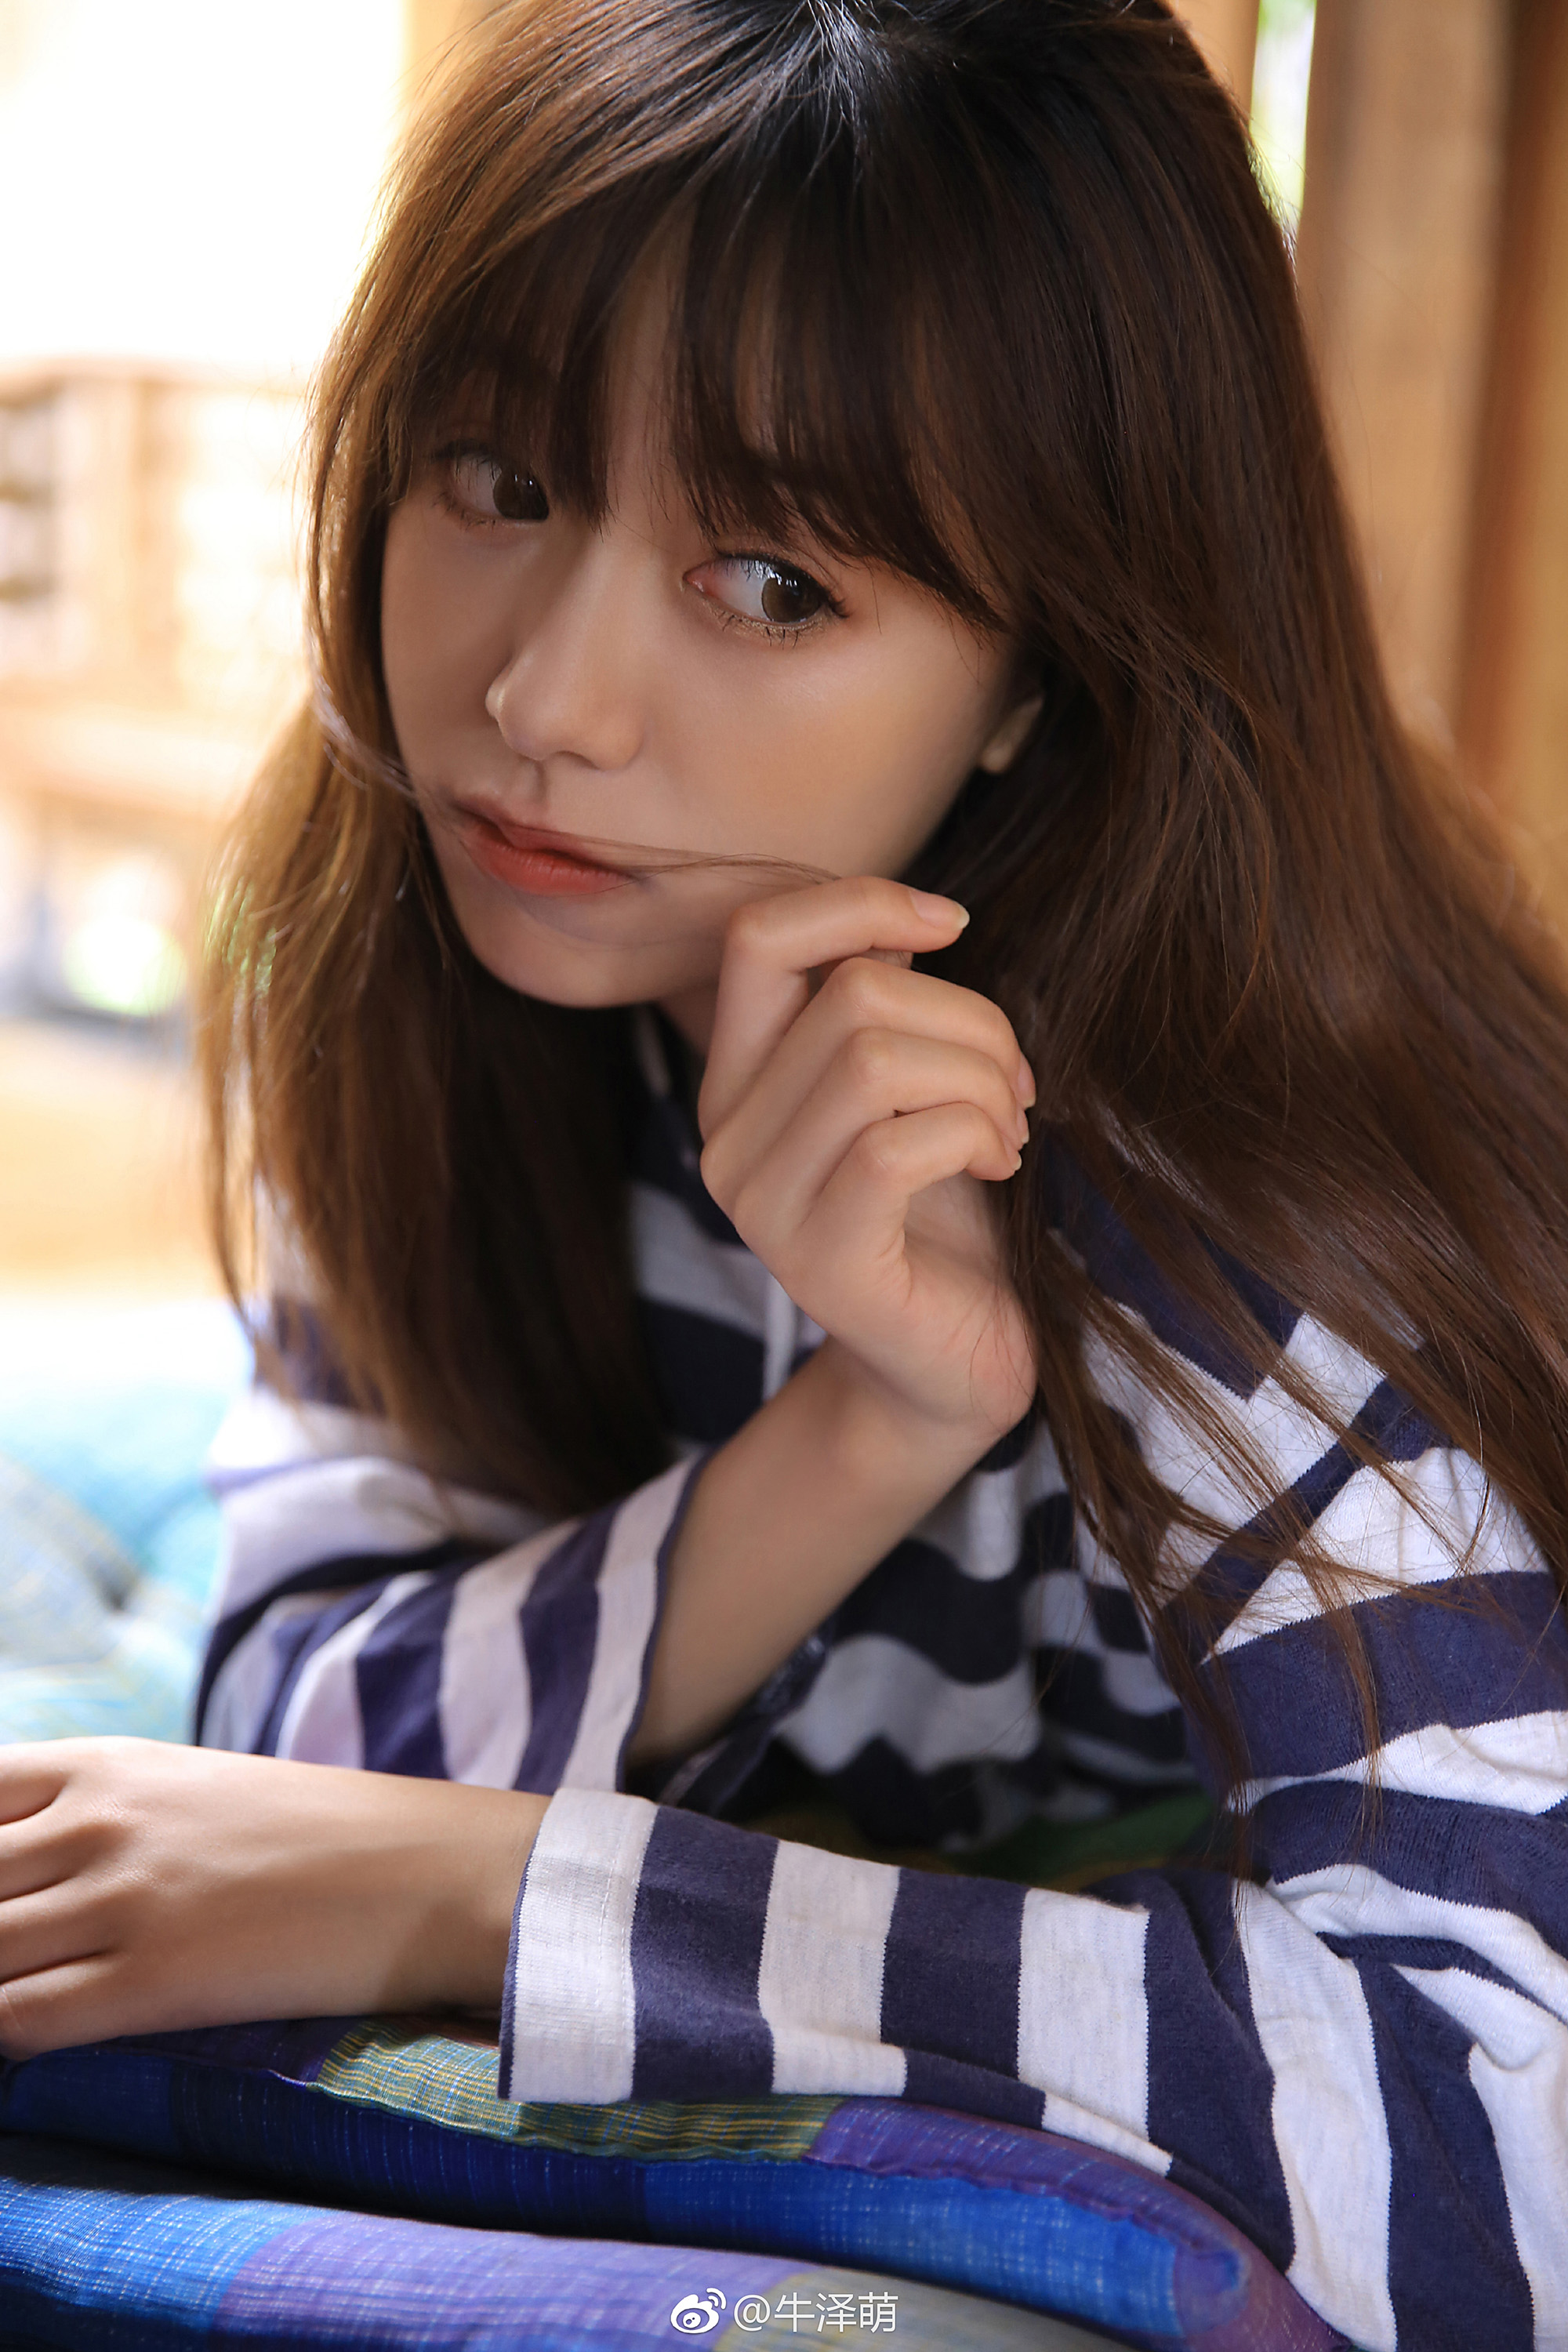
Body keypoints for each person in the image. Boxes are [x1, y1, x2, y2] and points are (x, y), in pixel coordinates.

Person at [2, 3, 1565, 2343]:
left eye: (771, 585)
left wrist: (500, 1891)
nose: (542, 699)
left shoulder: (1218, 1167)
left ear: (1039, 676)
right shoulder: (427, 957)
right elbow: (281, 1758)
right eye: (498, 477)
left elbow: (1497, 2145)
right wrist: (868, 1428)